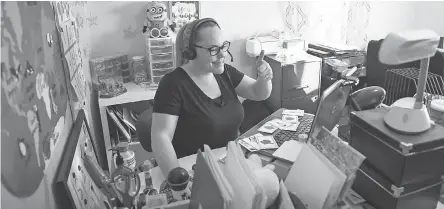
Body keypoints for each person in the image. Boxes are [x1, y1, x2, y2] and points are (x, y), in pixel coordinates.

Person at [151, 18, 273, 177]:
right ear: (191, 51)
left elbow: (258, 93)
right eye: (213, 49)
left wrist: (264, 77)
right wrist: (177, 179)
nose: (223, 54)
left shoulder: (225, 73)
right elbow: (161, 137)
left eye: (223, 46)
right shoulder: (173, 84)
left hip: (229, 164)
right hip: (195, 171)